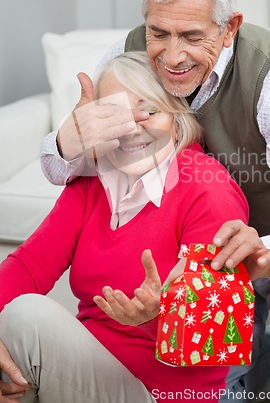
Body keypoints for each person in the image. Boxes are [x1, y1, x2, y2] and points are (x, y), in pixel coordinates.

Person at [39, 0, 270, 401]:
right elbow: (66, 169)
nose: (171, 57)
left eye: (192, 37)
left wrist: (265, 254)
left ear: (229, 27)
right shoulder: (125, 57)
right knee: (212, 390)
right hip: (211, 249)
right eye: (159, 32)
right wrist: (69, 139)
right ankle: (265, 355)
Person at [0, 52, 249, 402]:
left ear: (177, 118)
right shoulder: (93, 181)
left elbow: (214, 336)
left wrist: (154, 316)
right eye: (114, 117)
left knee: (26, 317)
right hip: (84, 377)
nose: (132, 129)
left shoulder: (209, 190)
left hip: (164, 394)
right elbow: (28, 265)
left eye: (149, 110)